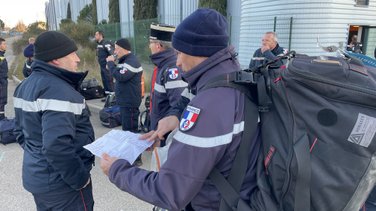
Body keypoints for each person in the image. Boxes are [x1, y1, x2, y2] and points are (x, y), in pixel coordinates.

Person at [100, 8, 260, 210]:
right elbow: (189, 97)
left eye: (180, 53)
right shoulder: (232, 76)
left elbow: (169, 191)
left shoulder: (209, 106)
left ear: (199, 52)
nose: (177, 61)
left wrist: (116, 170)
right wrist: (174, 117)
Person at [13, 31, 95, 211]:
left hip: (39, 180)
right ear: (56, 59)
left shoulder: (23, 86)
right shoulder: (60, 92)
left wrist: (39, 159)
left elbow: (19, 132)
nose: (77, 59)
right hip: (64, 186)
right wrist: (80, 179)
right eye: (72, 53)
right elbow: (56, 146)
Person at [106, 38, 143, 165]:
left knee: (131, 131)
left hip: (130, 101)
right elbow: (118, 72)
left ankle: (136, 158)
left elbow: (121, 76)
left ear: (122, 48)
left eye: (116, 48)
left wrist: (111, 64)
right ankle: (129, 154)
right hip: (124, 101)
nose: (115, 51)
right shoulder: (124, 61)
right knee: (126, 130)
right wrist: (113, 65)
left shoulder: (132, 61)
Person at [148, 23, 187, 135]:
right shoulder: (163, 66)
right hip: (159, 134)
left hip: (166, 138)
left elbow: (178, 108)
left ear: (158, 46)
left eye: (151, 43)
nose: (149, 46)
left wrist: (161, 136)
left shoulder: (172, 69)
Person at [95, 30, 114, 98]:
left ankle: (112, 97)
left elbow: (112, 54)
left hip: (107, 66)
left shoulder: (106, 43)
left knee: (109, 80)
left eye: (96, 35)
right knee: (104, 80)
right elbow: (98, 55)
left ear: (100, 35)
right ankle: (107, 96)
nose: (95, 36)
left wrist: (108, 64)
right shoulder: (99, 44)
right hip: (102, 66)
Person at [0, 37, 8, 120]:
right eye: (4, 44)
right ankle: (1, 119)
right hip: (1, 82)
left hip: (3, 81)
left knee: (2, 101)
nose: (6, 45)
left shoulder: (2, 55)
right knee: (1, 100)